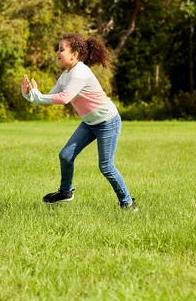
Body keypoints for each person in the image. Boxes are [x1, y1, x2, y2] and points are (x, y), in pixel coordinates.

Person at [21, 33, 137, 211]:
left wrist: (38, 96)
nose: (57, 52)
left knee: (106, 166)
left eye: (61, 49)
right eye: (57, 49)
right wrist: (29, 95)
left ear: (74, 54)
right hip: (90, 123)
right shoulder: (65, 75)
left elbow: (64, 98)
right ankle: (65, 192)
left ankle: (127, 202)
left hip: (107, 122)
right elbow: (46, 101)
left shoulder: (80, 72)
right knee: (65, 155)